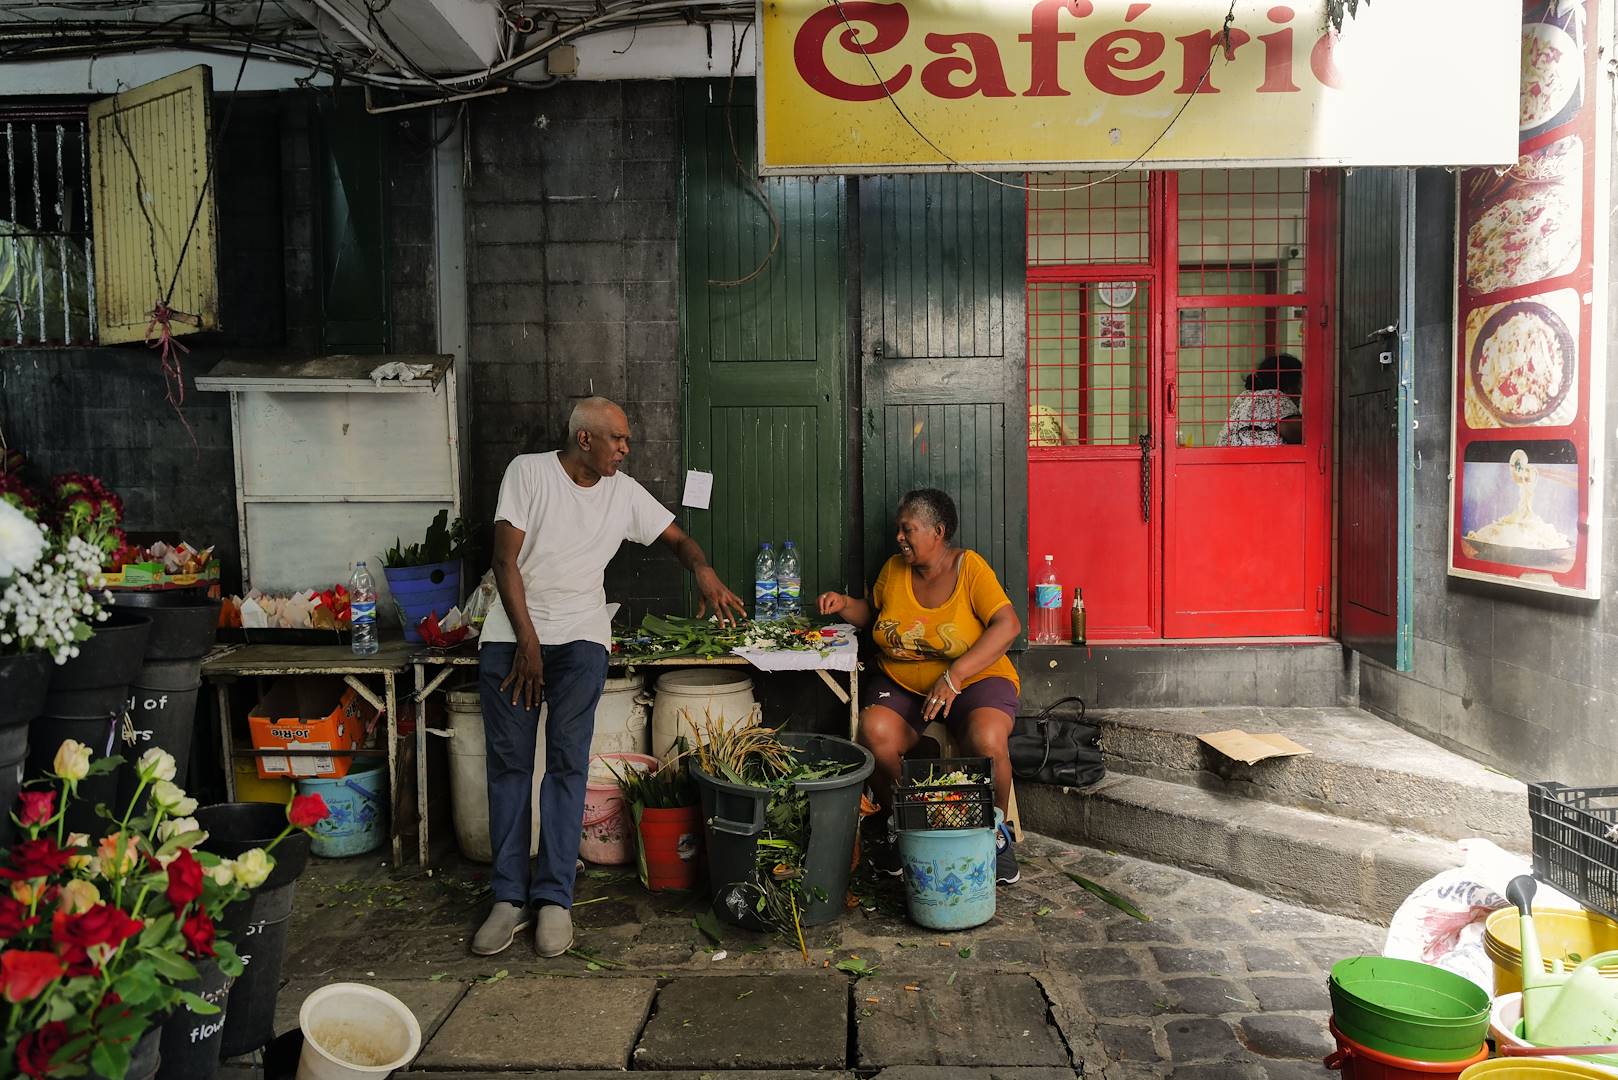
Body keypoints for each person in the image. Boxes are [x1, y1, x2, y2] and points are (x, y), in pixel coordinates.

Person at [473, 397, 746, 957]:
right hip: (512, 637)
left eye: (627, 440)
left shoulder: (623, 493)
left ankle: (553, 899)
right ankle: (507, 897)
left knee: (568, 764)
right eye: (618, 439)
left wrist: (703, 570)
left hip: (580, 641)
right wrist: (528, 644)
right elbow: (504, 561)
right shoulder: (528, 474)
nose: (626, 449)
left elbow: (677, 539)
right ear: (584, 440)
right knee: (509, 766)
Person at [816, 488, 1024, 885]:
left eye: (907, 529)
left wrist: (955, 676)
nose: (899, 537)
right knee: (874, 732)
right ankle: (906, 822)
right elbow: (873, 616)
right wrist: (843, 603)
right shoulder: (894, 570)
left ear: (938, 531)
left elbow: (1008, 626)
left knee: (989, 740)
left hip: (973, 678)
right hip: (903, 681)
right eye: (899, 529)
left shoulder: (970, 569)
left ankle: (993, 832)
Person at [1217, 352, 1304, 447]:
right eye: (1299, 385)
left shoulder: (1246, 396)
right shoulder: (1274, 396)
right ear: (1289, 383)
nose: (1300, 392)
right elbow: (1301, 433)